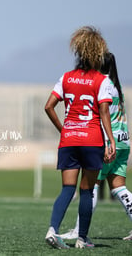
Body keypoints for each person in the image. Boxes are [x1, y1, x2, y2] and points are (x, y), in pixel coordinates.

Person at [44, 26, 116, 249]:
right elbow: (104, 111)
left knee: (67, 189)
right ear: (97, 55)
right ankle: (82, 239)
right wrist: (110, 140)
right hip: (92, 140)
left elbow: (48, 107)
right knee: (87, 191)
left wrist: (64, 129)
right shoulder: (101, 80)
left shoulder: (66, 78)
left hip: (69, 139)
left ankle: (52, 230)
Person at [59, 52, 132, 241]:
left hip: (109, 142)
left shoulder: (103, 84)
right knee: (119, 188)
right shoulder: (117, 84)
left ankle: (78, 231)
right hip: (124, 140)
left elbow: (103, 113)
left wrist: (106, 142)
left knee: (90, 187)